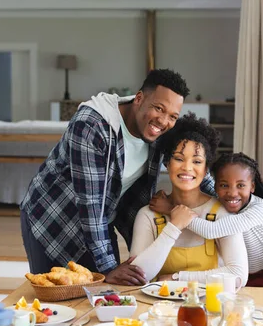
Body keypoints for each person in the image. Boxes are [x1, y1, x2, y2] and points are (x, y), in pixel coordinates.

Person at [20, 69, 195, 285]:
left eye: (172, 116)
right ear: (139, 98)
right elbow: (90, 203)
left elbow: (194, 162)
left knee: (105, 296)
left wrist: (232, 194)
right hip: (51, 220)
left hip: (101, 219)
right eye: (158, 108)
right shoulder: (92, 126)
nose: (163, 121)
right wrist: (108, 268)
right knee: (55, 297)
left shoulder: (161, 130)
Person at [130, 113, 248, 284]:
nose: (187, 168)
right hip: (159, 310)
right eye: (178, 159)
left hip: (210, 307)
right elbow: (138, 276)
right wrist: (174, 226)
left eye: (197, 161)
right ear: (167, 163)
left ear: (206, 168)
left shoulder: (221, 213)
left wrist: (177, 278)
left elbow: (238, 275)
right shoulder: (149, 215)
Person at [152, 151, 263, 287]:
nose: (232, 193)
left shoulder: (261, 209)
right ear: (215, 186)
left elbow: (212, 230)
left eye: (241, 185)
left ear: (252, 186)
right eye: (224, 185)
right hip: (238, 277)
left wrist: (170, 209)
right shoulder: (219, 208)